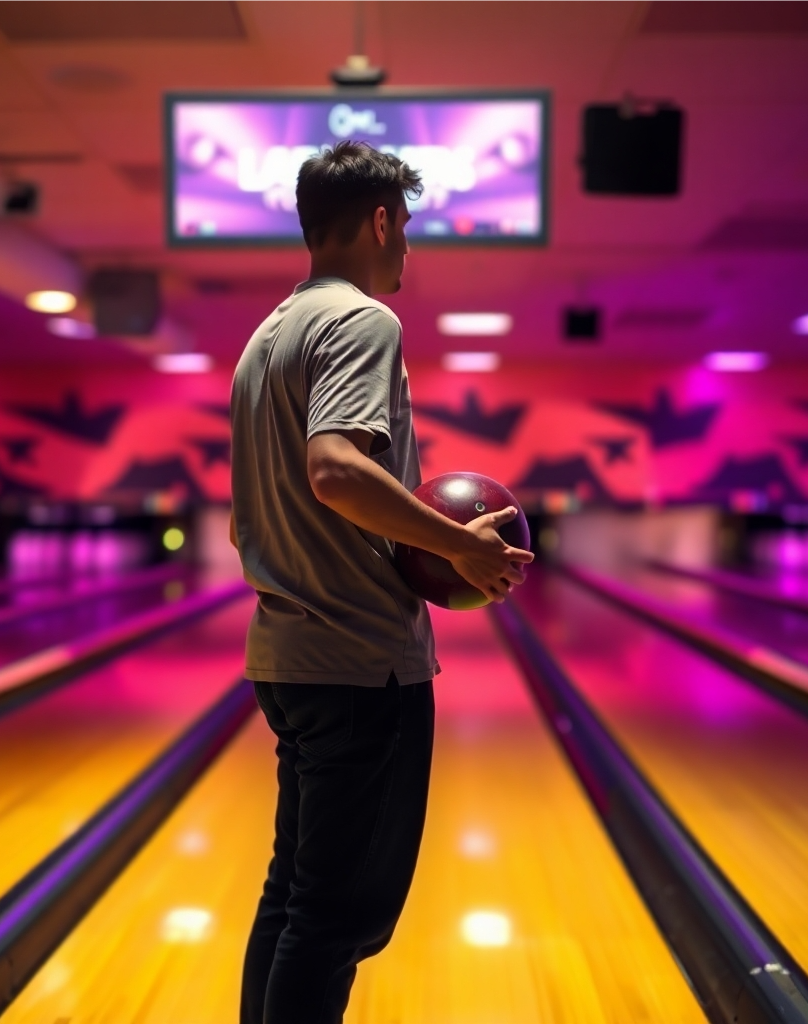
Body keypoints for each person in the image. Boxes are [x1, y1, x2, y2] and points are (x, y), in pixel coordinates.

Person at [230, 140, 534, 1024]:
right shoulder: (363, 321)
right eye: (407, 227)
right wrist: (459, 546)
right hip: (361, 662)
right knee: (334, 922)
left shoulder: (267, 335)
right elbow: (335, 470)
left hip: (289, 656)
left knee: (294, 900)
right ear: (379, 219)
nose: (409, 248)